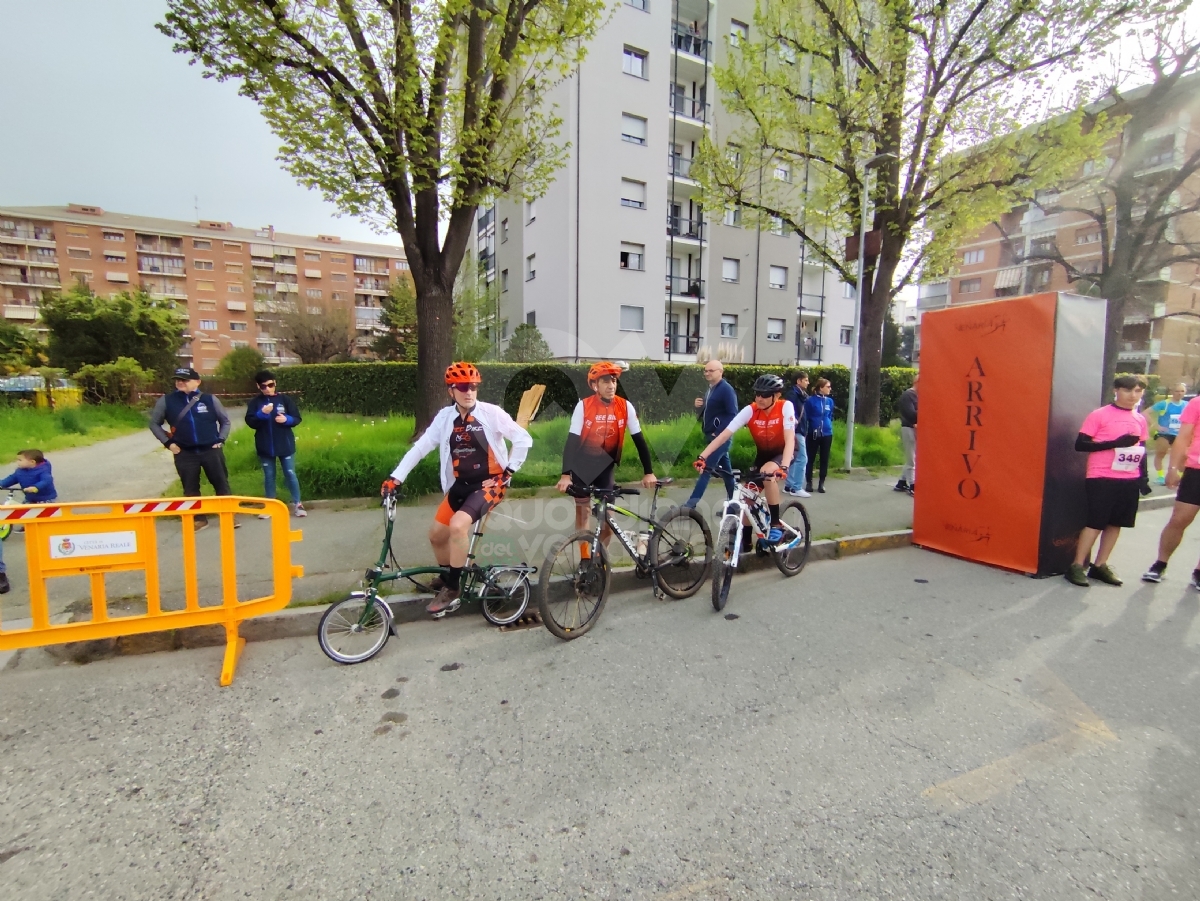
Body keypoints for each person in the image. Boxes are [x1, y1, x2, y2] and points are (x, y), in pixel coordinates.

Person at [383, 363, 531, 614]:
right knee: (436, 536)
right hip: (460, 485)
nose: (469, 392)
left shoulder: (491, 413)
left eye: (473, 387)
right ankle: (448, 574)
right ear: (451, 391)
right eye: (462, 387)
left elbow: (523, 439)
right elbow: (421, 447)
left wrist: (508, 472)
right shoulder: (445, 418)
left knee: (458, 526)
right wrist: (396, 478)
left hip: (490, 485)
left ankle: (453, 587)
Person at [557, 361, 657, 553]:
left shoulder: (625, 406)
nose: (611, 386)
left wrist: (648, 472)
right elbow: (571, 441)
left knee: (608, 521)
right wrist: (565, 475)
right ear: (595, 385)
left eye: (613, 381)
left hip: (605, 468)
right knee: (583, 513)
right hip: (582, 467)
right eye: (605, 382)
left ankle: (599, 558)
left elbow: (639, 440)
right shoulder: (583, 406)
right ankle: (586, 560)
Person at [1065, 375, 1150, 587]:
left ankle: (1100, 565)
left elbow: (1142, 449)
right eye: (1128, 390)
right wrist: (1114, 443)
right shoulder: (1099, 415)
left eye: (1138, 391)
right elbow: (1081, 445)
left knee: (1116, 523)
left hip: (1128, 477)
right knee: (1096, 522)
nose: (1133, 396)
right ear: (1117, 390)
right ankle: (1077, 565)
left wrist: (1143, 476)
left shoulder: (1139, 419)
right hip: (1102, 476)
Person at [694, 373, 795, 545]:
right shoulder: (751, 410)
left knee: (768, 474)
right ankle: (747, 540)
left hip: (784, 452)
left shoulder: (785, 407)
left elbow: (790, 438)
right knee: (747, 499)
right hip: (763, 455)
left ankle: (776, 525)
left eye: (764, 395)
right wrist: (703, 456)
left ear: (776, 395)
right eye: (757, 394)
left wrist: (784, 466)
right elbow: (724, 435)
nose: (759, 398)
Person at [148, 367, 235, 531]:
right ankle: (199, 519)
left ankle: (228, 515)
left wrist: (221, 440)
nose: (180, 383)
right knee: (190, 487)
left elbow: (225, 421)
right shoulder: (167, 400)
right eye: (177, 380)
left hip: (211, 450)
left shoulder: (210, 399)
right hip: (184, 452)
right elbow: (154, 423)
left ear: (197, 382)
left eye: (185, 380)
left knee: (221, 484)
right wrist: (169, 444)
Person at [1143, 387, 1200, 585]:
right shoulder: (1196, 403)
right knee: (1179, 519)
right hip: (1196, 470)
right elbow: (1183, 437)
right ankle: (1160, 563)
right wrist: (1173, 468)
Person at [245, 370, 306, 519]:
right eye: (264, 386)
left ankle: (298, 504)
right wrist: (261, 415)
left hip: (285, 445)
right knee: (269, 476)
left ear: (275, 383)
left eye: (270, 385)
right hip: (265, 446)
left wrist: (287, 420)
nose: (268, 389)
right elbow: (250, 422)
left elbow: (297, 418)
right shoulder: (255, 402)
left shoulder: (285, 400)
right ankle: (270, 506)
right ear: (258, 387)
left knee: (290, 474)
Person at [684, 359, 738, 508]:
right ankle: (734, 506)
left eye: (711, 371)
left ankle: (690, 505)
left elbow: (733, 414)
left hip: (721, 438)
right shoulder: (711, 389)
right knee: (727, 474)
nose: (707, 373)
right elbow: (710, 411)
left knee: (706, 468)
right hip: (711, 436)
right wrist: (698, 406)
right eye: (705, 371)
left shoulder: (726, 389)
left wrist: (719, 432)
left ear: (720, 372)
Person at [1149, 383, 1187, 484]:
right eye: (1177, 391)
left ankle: (1180, 477)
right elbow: (1145, 413)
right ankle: (1160, 477)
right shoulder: (1164, 404)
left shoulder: (1186, 405)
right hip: (1165, 433)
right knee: (1161, 453)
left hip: (1179, 434)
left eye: (1182, 391)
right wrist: (1156, 426)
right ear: (1172, 392)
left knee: (1182, 456)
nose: (1179, 393)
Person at [804, 378, 835, 494]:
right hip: (813, 432)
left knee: (824, 458)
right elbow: (806, 416)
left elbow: (830, 415)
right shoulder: (810, 401)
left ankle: (822, 483)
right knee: (810, 458)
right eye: (828, 387)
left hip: (827, 433)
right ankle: (809, 482)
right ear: (821, 388)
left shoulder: (830, 401)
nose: (830, 389)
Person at [783, 371, 811, 497]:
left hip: (798, 429)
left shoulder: (800, 395)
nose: (808, 382)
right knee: (802, 458)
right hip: (796, 430)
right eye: (805, 380)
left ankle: (789, 486)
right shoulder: (793, 395)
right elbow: (790, 413)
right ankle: (796, 487)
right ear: (798, 381)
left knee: (793, 458)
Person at [896, 375, 918, 493]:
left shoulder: (920, 396)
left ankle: (902, 482)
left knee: (913, 456)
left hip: (917, 429)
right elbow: (910, 413)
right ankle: (912, 484)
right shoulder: (908, 395)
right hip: (909, 427)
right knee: (912, 458)